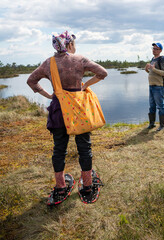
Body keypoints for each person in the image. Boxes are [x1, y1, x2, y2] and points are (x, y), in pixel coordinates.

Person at [27, 31, 108, 204]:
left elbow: (31, 81)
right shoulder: (80, 59)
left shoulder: (48, 63)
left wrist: (50, 95)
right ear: (69, 44)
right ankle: (87, 185)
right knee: (84, 147)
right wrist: (85, 84)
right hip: (78, 110)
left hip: (58, 109)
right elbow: (103, 73)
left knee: (59, 149)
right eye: (73, 43)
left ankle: (61, 186)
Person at [145, 42, 164, 131]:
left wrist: (153, 69)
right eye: (153, 48)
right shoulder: (153, 59)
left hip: (158, 86)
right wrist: (147, 69)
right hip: (151, 86)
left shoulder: (162, 59)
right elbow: (151, 72)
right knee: (151, 106)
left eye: (156, 49)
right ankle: (151, 124)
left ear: (160, 50)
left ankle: (161, 125)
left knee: (160, 106)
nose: (154, 50)